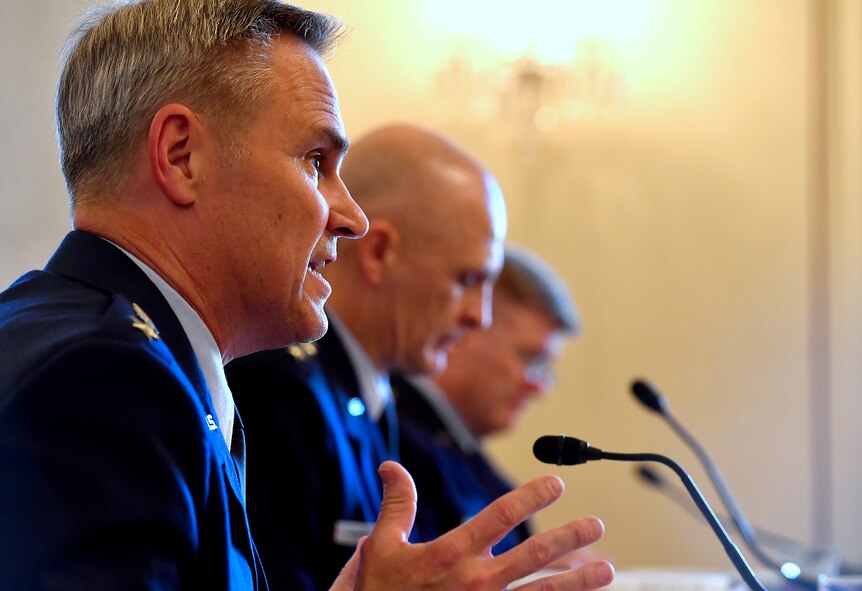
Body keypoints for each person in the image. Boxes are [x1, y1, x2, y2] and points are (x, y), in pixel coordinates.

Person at [0, 2, 614, 591]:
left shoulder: (109, 351)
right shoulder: (106, 382)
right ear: (181, 156)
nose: (350, 217)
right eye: (315, 162)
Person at [226, 122, 507, 589]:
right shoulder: (279, 391)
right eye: (467, 281)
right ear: (378, 252)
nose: (480, 317)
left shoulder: (370, 394)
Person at [392, 244, 582, 557]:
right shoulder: (397, 439)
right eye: (530, 358)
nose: (539, 387)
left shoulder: (460, 451)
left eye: (545, 369)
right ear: (466, 328)